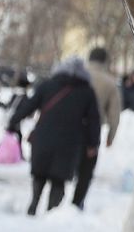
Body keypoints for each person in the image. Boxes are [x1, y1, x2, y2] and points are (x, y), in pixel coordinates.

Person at [8, 57, 101, 215]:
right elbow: (94, 120)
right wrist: (93, 143)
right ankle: (52, 212)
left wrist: (13, 121)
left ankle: (34, 203)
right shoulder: (87, 92)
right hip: (70, 142)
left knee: (40, 173)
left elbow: (30, 105)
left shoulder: (48, 85)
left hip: (44, 137)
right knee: (59, 178)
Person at [76, 47, 123, 208]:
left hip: (70, 127)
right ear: (105, 62)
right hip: (92, 131)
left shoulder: (77, 74)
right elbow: (114, 114)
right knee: (86, 170)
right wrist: (111, 136)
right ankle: (77, 201)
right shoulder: (109, 83)